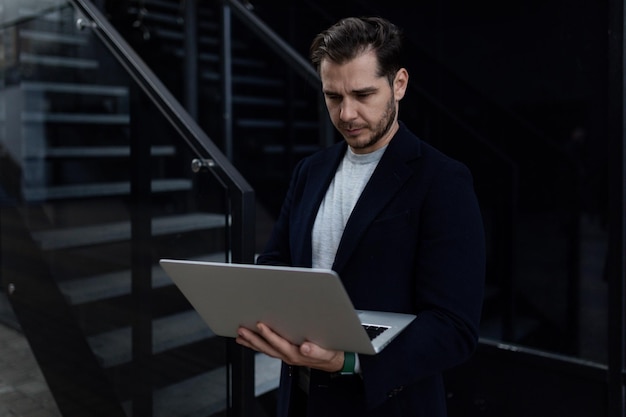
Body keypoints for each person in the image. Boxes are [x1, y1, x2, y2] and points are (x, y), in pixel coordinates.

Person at [236, 16, 485, 417]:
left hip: (387, 404)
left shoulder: (443, 180)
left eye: (363, 94)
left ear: (398, 84)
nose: (347, 113)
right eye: (333, 97)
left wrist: (350, 362)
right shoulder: (309, 171)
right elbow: (276, 263)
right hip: (302, 399)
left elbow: (453, 327)